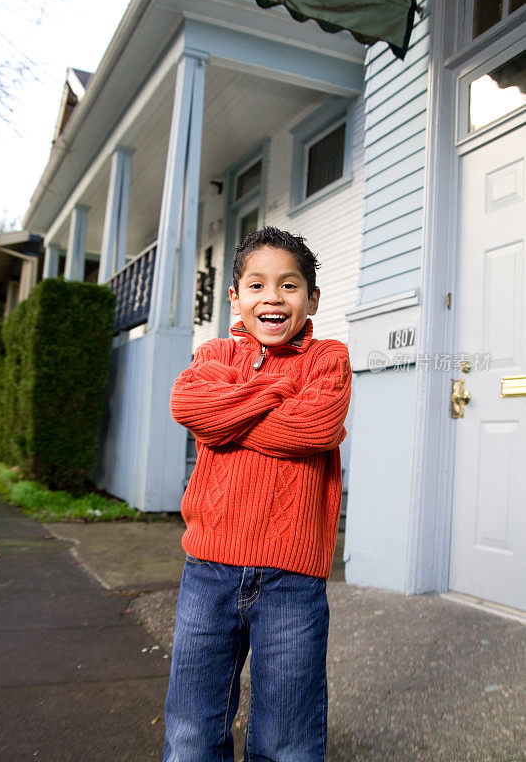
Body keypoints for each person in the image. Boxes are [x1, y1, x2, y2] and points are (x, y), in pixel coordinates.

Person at [162, 226, 352, 762]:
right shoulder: (213, 353)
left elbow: (314, 429)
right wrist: (275, 394)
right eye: (256, 285)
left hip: (293, 577)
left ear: (313, 299)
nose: (272, 297)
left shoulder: (327, 360)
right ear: (235, 298)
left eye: (289, 286)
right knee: (192, 732)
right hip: (209, 567)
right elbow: (191, 408)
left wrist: (229, 416)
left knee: (286, 738)